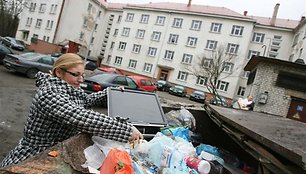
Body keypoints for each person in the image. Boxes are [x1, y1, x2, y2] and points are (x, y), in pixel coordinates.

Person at [0, 53, 143, 168]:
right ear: (59, 72)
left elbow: (86, 100)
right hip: (33, 158)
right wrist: (126, 130)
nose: (81, 80)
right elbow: (80, 116)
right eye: (76, 75)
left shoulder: (69, 88)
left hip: (55, 153)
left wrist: (110, 93)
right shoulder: (49, 94)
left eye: (83, 75)